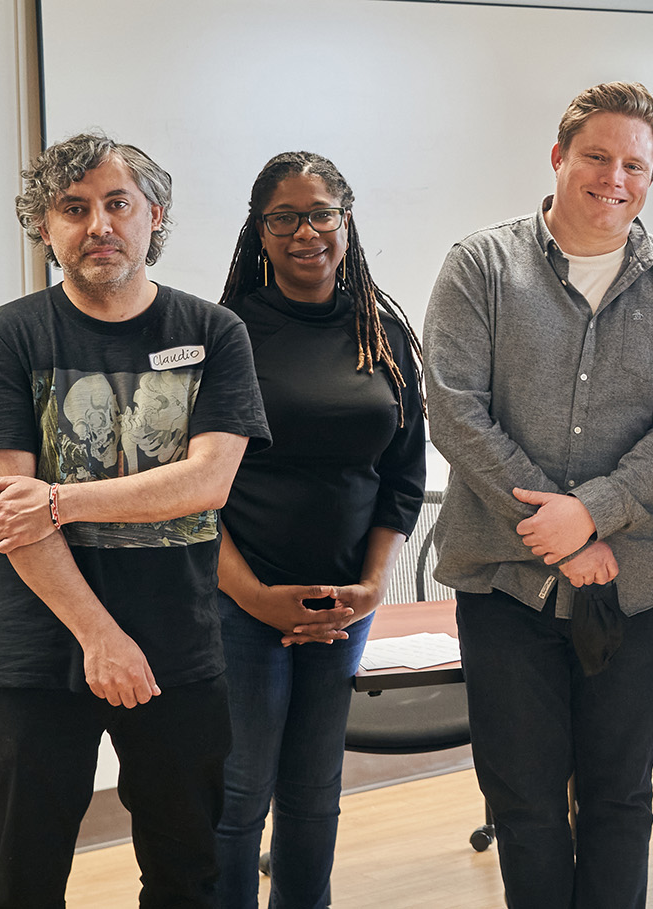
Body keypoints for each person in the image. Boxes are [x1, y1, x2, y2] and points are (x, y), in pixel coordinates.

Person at [0, 132, 269, 907]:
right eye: (73, 208)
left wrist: (59, 497)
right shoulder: (6, 336)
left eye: (117, 203)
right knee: (26, 878)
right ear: (45, 226)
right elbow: (7, 516)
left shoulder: (214, 333)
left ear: (153, 216)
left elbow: (208, 481)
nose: (99, 225)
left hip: (179, 648)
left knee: (187, 874)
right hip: (37, 652)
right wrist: (102, 637)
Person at [422, 82, 653, 908]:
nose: (613, 178)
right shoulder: (481, 265)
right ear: (559, 158)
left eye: (635, 164)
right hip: (505, 585)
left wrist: (593, 511)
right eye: (597, 156)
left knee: (621, 799)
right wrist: (551, 531)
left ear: (650, 179)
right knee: (523, 804)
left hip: (628, 585)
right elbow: (453, 409)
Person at [209, 151, 427, 909]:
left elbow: (402, 474)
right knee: (238, 795)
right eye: (284, 217)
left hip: (343, 604)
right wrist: (256, 595)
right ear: (260, 231)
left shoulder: (383, 332)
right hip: (239, 602)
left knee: (313, 790)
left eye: (321, 213)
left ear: (347, 217)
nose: (306, 232)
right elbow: (195, 491)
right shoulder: (226, 334)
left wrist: (369, 587)